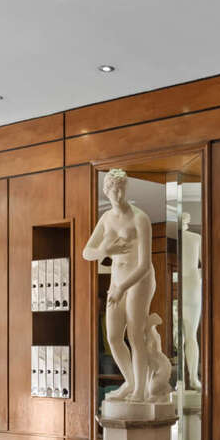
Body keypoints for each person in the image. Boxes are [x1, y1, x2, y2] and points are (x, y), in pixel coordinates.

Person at [82, 169, 156, 402]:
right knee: (113, 336)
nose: (118, 193)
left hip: (139, 280)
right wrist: (105, 250)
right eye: (114, 189)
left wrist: (122, 287)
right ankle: (130, 382)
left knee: (135, 334)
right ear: (106, 191)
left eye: (122, 188)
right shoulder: (106, 219)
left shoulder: (140, 218)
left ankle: (140, 390)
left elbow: (144, 264)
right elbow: (86, 253)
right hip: (117, 280)